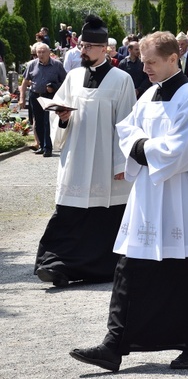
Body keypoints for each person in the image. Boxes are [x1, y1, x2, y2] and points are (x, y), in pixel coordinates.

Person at [69, 31, 188, 373]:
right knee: (129, 270)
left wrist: (140, 148)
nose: (145, 67)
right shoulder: (150, 94)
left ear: (172, 59)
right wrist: (139, 146)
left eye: (151, 62)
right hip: (149, 198)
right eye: (143, 61)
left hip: (184, 200)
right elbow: (127, 129)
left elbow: (182, 151)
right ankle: (113, 345)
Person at [34, 15, 136, 287]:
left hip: (106, 162)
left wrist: (120, 164)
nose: (83, 50)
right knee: (69, 213)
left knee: (104, 218)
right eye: (81, 45)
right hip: (77, 158)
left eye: (89, 46)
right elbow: (59, 116)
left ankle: (100, 268)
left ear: (105, 49)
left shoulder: (121, 80)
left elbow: (126, 125)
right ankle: (56, 266)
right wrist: (63, 117)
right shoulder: (74, 76)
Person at [19, 43, 67, 157]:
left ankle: (48, 148)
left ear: (49, 52)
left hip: (49, 97)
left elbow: (65, 82)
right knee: (38, 122)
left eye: (43, 52)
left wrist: (54, 87)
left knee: (47, 121)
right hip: (35, 95)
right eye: (38, 52)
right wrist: (22, 98)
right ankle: (41, 145)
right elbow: (25, 82)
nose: (40, 54)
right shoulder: (31, 65)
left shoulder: (57, 65)